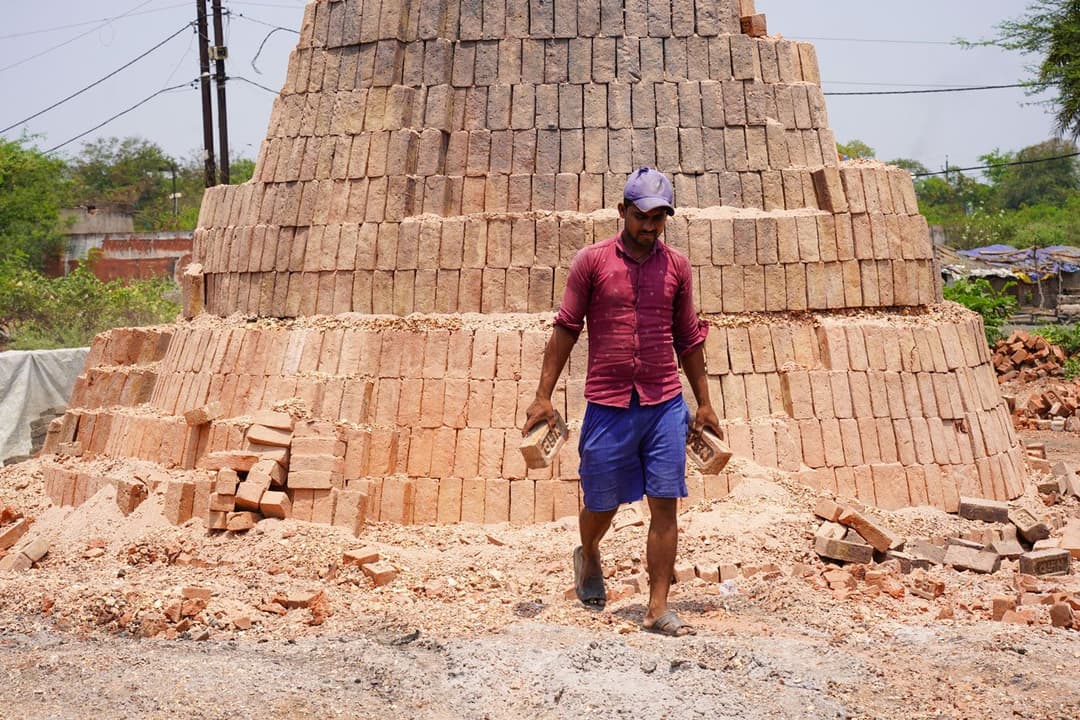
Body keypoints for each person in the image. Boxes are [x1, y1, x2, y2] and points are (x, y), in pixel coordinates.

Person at [522, 167, 721, 637]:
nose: (650, 227)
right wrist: (542, 396)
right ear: (622, 212)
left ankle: (657, 607)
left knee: (665, 505)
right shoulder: (590, 263)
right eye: (641, 217)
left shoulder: (677, 267)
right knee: (601, 503)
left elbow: (688, 339)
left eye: (659, 219)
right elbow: (567, 328)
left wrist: (705, 402)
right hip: (608, 403)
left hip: (664, 403)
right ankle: (589, 553)